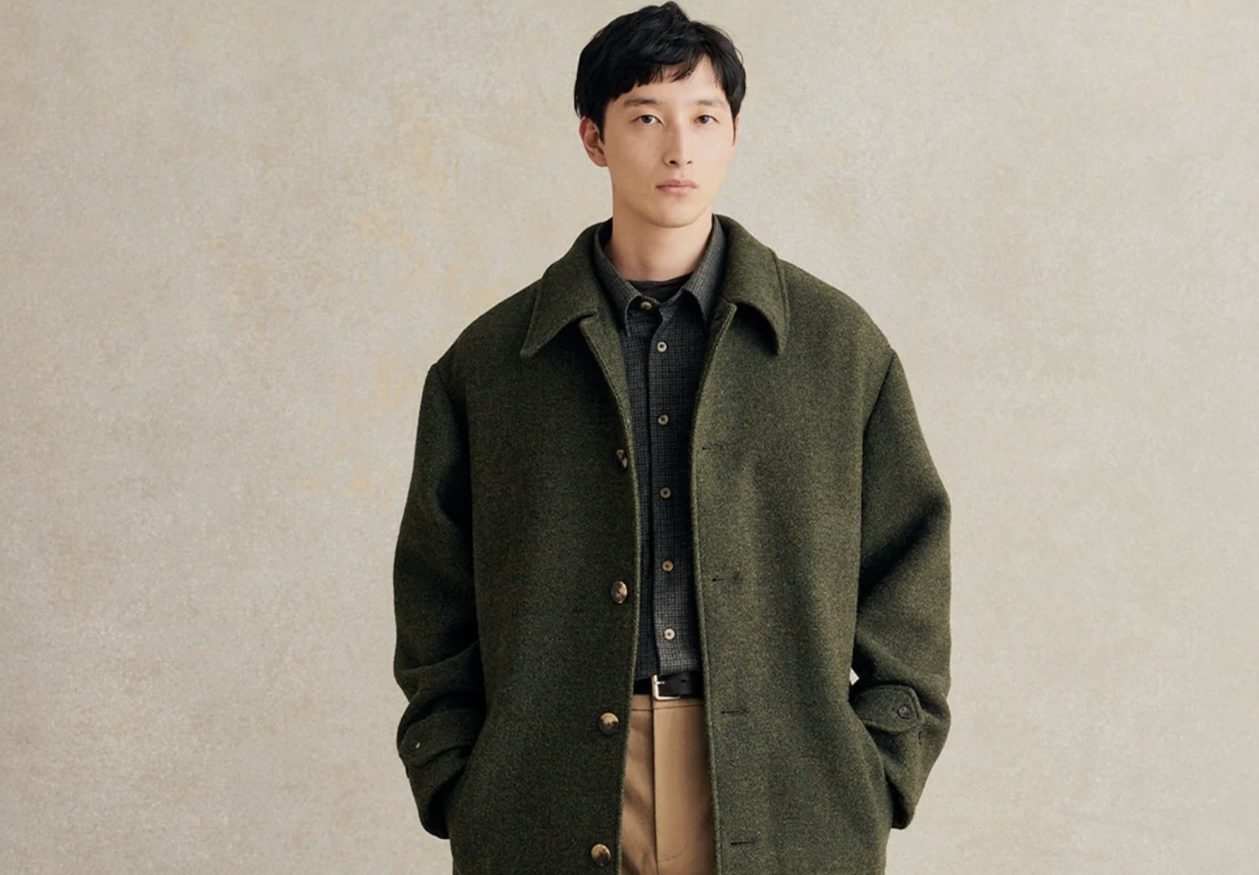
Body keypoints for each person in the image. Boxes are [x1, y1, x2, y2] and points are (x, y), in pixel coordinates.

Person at [392, 4, 953, 873]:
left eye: (705, 118)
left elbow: (909, 563)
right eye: (646, 118)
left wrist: (876, 766)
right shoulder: (493, 363)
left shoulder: (836, 349)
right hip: (550, 785)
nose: (679, 149)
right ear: (594, 137)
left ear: (735, 135)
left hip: (781, 782)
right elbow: (434, 591)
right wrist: (457, 778)